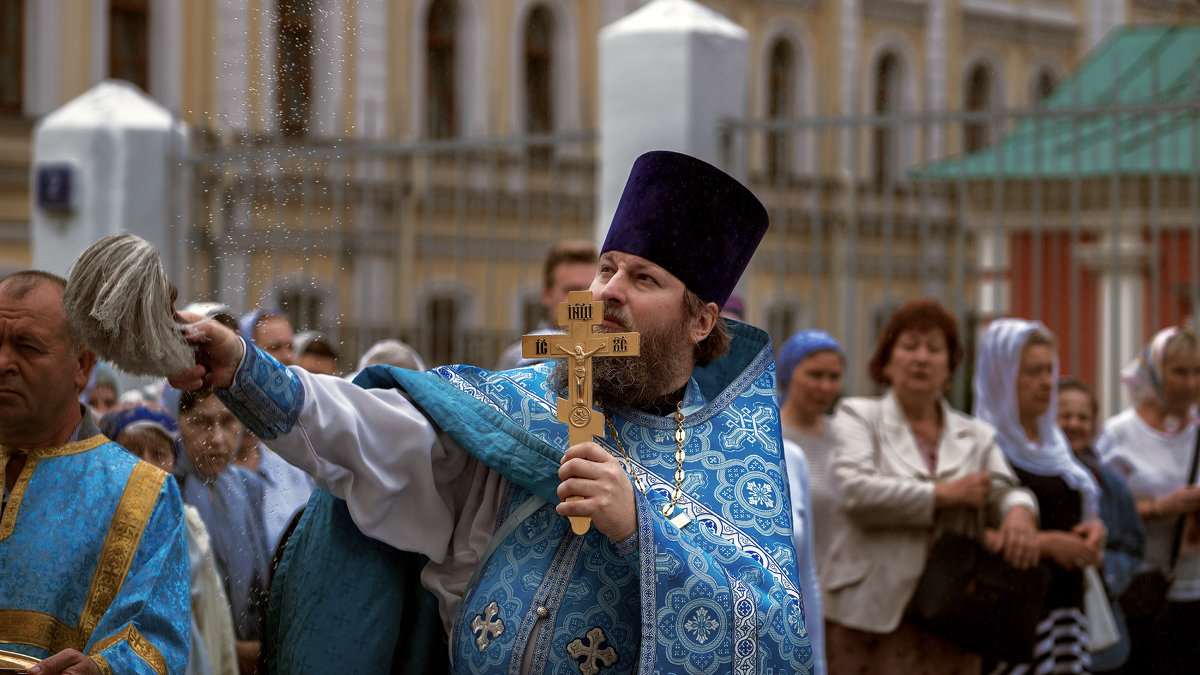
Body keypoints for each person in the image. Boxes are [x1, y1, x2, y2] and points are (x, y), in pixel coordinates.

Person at [169, 150, 814, 673]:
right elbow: (369, 433)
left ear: (702, 320)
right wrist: (241, 368)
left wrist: (645, 529)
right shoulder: (516, 407)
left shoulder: (734, 465)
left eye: (644, 279)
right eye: (607, 269)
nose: (608, 292)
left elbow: (774, 638)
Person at [823, 298, 1039, 674]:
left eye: (935, 349)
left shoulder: (976, 434)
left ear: (950, 369)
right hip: (870, 614)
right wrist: (945, 495)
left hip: (955, 612)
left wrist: (1019, 512)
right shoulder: (858, 416)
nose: (921, 358)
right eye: (909, 346)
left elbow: (1007, 489)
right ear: (886, 362)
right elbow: (855, 491)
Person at [0, 270, 188, 674]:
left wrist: (102, 670)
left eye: (26, 346)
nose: (3, 363)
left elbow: (157, 644)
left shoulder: (142, 493)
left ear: (82, 366)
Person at [972, 319, 1105, 673]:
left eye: (1050, 370)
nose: (1047, 382)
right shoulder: (980, 443)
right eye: (1032, 372)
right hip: (1013, 613)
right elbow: (965, 534)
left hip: (1065, 609)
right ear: (1001, 375)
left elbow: (1075, 507)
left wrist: (1093, 531)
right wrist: (1045, 545)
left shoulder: (1054, 442)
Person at [100, 404, 241, 675]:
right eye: (131, 451)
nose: (146, 464)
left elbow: (212, 619)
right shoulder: (95, 527)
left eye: (159, 454)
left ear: (173, 462)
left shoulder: (187, 524)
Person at [1097, 326, 1200, 673]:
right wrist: (1159, 508)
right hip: (1142, 589)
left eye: (1197, 372)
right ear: (1156, 371)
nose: (1190, 383)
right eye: (1180, 371)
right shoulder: (1119, 434)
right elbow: (1100, 509)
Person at [175, 388, 272, 675]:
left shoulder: (247, 487)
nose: (217, 439)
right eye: (201, 423)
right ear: (180, 422)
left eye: (228, 422)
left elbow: (259, 579)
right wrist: (230, 647)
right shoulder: (168, 490)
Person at [1057, 377, 1146, 672]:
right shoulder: (1026, 477)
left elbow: (1134, 548)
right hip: (1045, 636)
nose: (1074, 424)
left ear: (1095, 425)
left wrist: (1103, 563)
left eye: (1083, 417)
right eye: (1065, 416)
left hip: (1102, 640)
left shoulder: (1110, 486)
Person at [777, 329, 846, 675]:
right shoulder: (772, 439)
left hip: (842, 596)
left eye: (833, 377)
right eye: (815, 374)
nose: (825, 386)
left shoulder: (846, 438)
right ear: (790, 373)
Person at [493, 239, 598, 370]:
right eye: (572, 290)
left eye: (591, 290)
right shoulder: (519, 359)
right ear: (546, 294)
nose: (582, 300)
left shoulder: (610, 351)